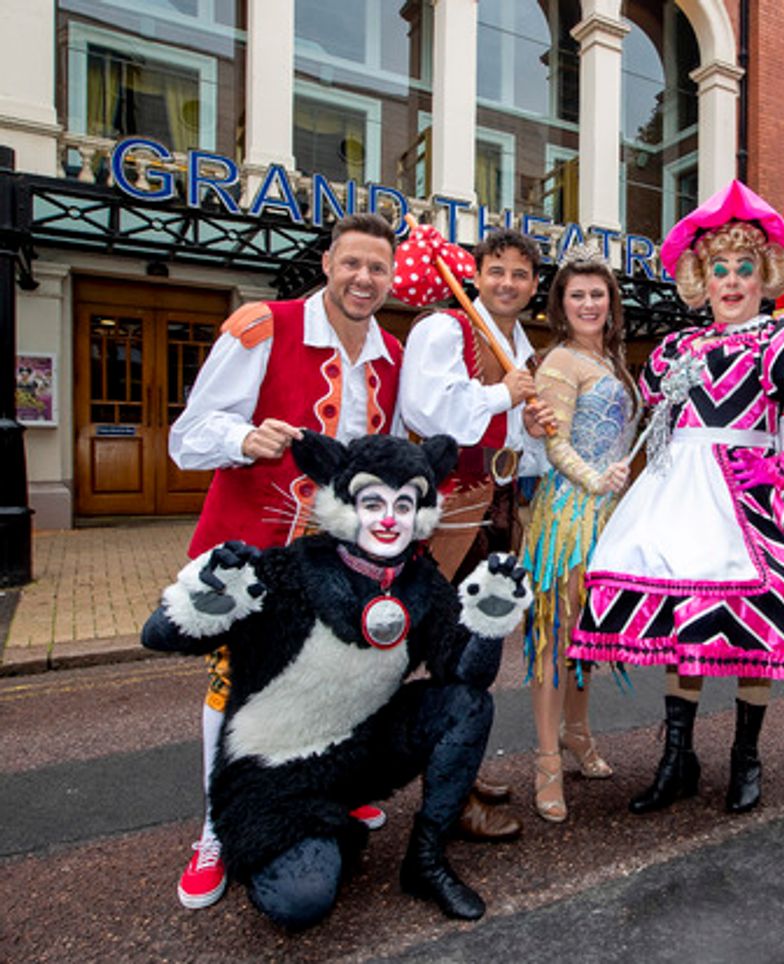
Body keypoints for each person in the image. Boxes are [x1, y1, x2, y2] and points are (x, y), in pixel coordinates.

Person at [569, 181, 784, 815]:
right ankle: (677, 758)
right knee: (684, 626)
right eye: (719, 270)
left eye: (744, 269)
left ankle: (746, 758)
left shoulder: (781, 337)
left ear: (765, 276)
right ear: (700, 279)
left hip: (746, 500)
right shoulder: (675, 349)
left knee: (751, 630)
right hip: (677, 497)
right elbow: (657, 421)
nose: (732, 282)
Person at [141, 431, 533, 928]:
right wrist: (202, 602)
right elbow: (159, 637)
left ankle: (425, 860)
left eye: (404, 503)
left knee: (467, 706)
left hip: (357, 752)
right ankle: (295, 836)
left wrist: (489, 620)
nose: (389, 518)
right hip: (275, 772)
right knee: (301, 902)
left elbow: (468, 676)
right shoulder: (289, 569)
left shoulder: (422, 582)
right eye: (373, 502)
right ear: (345, 503)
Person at [166, 212, 403, 910]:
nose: (364, 278)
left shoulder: (388, 351)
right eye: (352, 263)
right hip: (253, 550)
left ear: (391, 278)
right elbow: (189, 436)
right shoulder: (260, 326)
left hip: (336, 561)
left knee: (331, 685)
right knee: (235, 688)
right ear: (327, 262)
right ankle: (215, 829)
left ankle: (328, 791)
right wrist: (244, 436)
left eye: (377, 268)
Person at [396, 225, 556, 841]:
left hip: (502, 514)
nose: (507, 283)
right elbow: (423, 410)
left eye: (520, 275)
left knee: (477, 656)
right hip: (455, 520)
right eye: (497, 271)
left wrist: (533, 431)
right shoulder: (445, 328)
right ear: (477, 274)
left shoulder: (520, 344)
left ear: (533, 285)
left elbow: (515, 442)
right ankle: (448, 796)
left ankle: (458, 767)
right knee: (452, 659)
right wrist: (500, 393)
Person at [518, 246, 639, 821]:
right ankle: (545, 759)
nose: (590, 303)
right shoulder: (561, 362)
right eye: (578, 295)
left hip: (609, 515)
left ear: (610, 303)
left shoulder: (613, 362)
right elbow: (554, 442)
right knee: (554, 637)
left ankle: (578, 732)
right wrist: (596, 480)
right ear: (561, 307)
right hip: (567, 517)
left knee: (591, 635)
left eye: (598, 294)